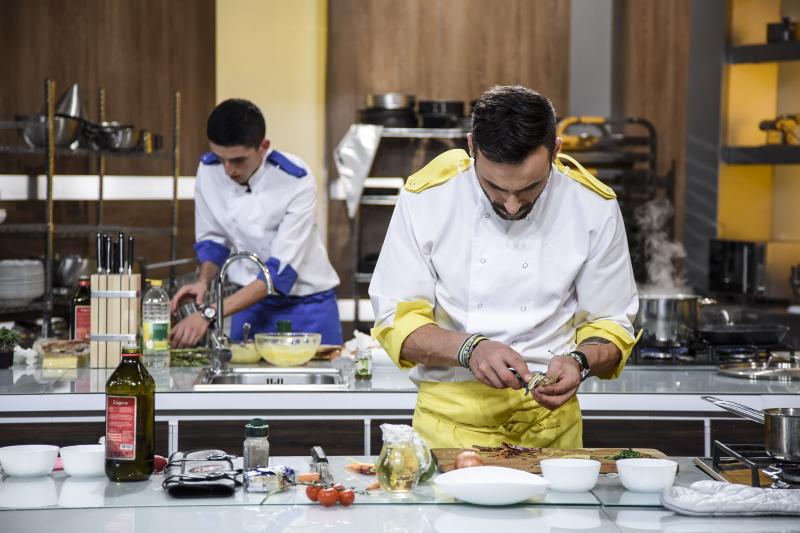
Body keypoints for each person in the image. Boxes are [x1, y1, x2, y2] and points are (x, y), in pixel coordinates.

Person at [369, 85, 639, 449]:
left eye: (530, 188)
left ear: (556, 151)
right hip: (449, 429)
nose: (512, 206)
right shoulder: (426, 199)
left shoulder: (594, 207)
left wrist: (581, 360)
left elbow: (611, 323)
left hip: (551, 431)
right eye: (494, 187)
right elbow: (397, 321)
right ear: (471, 147)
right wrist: (469, 349)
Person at [170, 98, 343, 347]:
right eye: (221, 159)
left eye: (238, 160)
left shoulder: (295, 180)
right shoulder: (208, 170)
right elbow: (214, 242)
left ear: (263, 147)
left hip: (307, 307)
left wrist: (209, 313)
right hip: (249, 306)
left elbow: (279, 274)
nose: (228, 170)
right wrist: (202, 282)